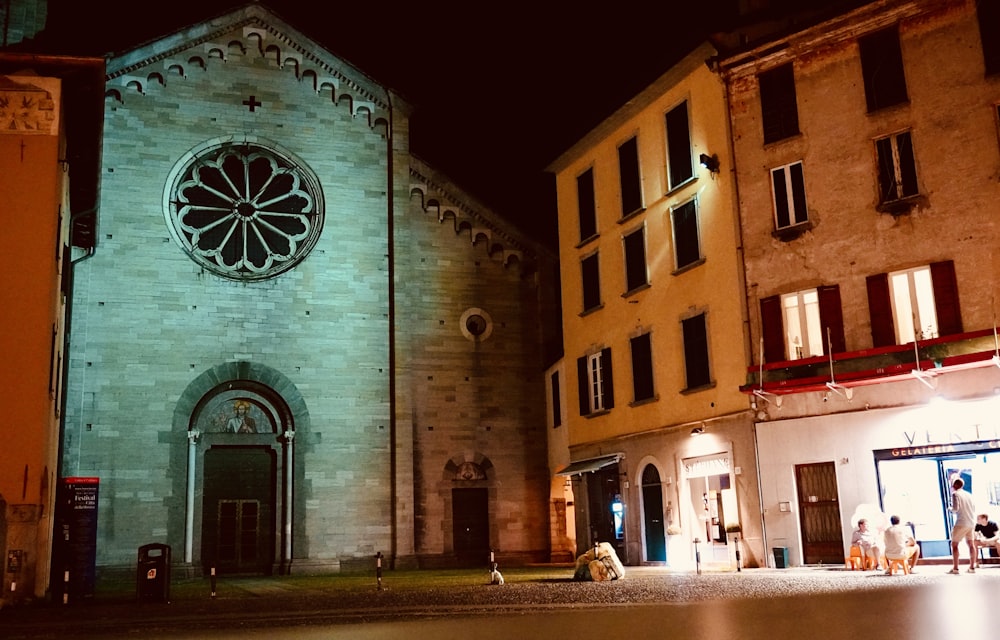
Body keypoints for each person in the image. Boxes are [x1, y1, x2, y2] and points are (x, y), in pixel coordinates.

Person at [949, 477, 977, 574]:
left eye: (953, 484)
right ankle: (972, 567)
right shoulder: (969, 495)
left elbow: (956, 508)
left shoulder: (955, 494)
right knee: (971, 544)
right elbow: (973, 509)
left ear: (956, 485)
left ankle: (956, 568)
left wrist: (949, 508)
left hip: (961, 522)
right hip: (971, 522)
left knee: (954, 544)